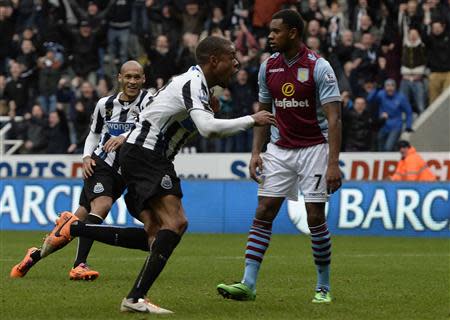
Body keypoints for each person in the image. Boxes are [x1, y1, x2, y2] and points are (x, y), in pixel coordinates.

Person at [35, 36, 276, 314]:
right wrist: (252, 120)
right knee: (176, 223)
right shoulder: (192, 83)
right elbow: (208, 129)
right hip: (145, 155)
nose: (236, 63)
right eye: (231, 57)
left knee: (154, 235)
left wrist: (209, 109)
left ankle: (74, 228)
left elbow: (170, 116)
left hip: (144, 156)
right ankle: (135, 297)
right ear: (213, 60)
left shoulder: (198, 87)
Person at [216, 9, 342, 304]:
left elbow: (334, 119)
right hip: (280, 149)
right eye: (269, 31)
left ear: (293, 33)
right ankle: (248, 283)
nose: (270, 36)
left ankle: (323, 285)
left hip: (314, 148)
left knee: (314, 218)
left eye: (276, 31)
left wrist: (333, 163)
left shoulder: (319, 67)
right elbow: (263, 114)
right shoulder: (267, 67)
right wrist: (256, 152)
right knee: (264, 211)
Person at [10, 60, 151, 281]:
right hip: (101, 164)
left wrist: (125, 137)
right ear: (120, 78)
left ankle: (34, 255)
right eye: (128, 77)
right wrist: (86, 157)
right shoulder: (105, 104)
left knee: (76, 224)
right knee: (102, 205)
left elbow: (150, 129)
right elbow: (94, 134)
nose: (132, 81)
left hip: (126, 173)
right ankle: (79, 265)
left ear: (144, 79)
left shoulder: (150, 103)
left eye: (137, 77)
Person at [367, 78, 413, 151]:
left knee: (388, 147)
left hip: (396, 126)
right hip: (383, 124)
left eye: (392, 86)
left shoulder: (401, 97)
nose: (390, 88)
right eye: (388, 86)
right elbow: (369, 99)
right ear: (385, 87)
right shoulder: (381, 94)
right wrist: (376, 90)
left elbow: (409, 112)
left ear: (395, 87)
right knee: (379, 145)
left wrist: (408, 126)